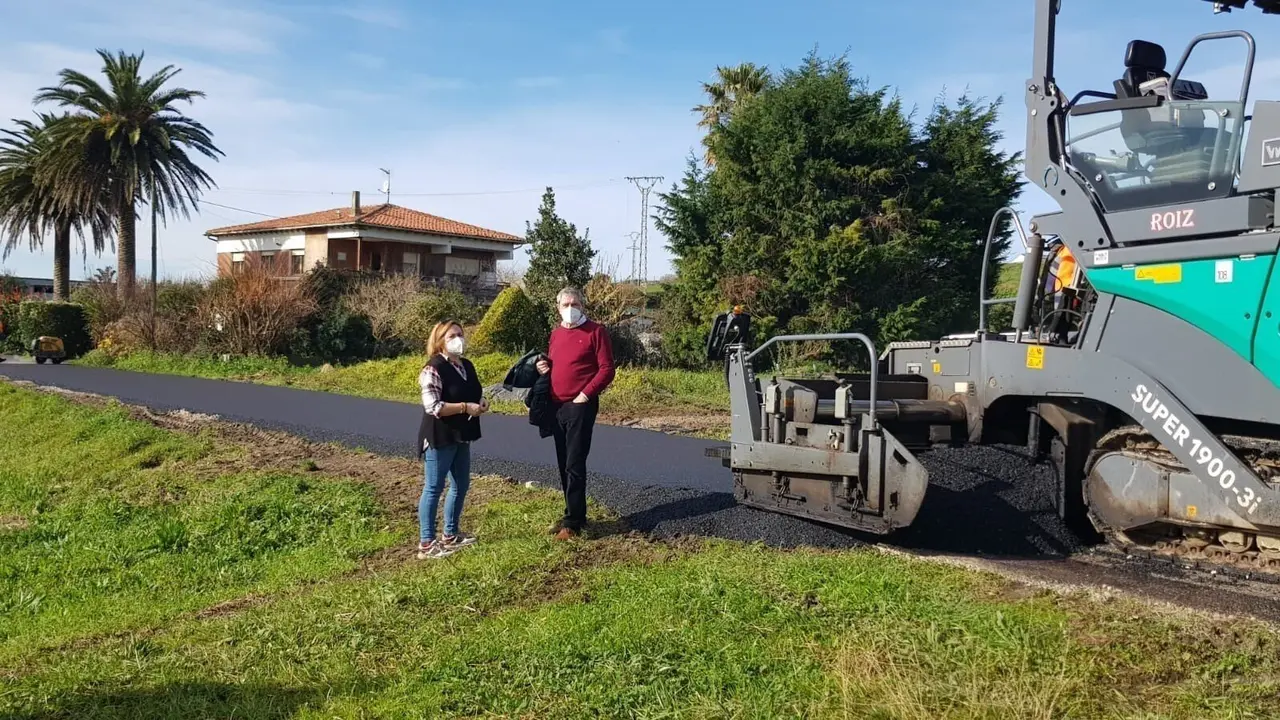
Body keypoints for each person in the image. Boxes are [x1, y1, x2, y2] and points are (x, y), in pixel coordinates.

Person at [536, 286, 616, 540]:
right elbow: (556, 362)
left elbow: (607, 369)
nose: (571, 309)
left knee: (574, 462)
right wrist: (542, 367)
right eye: (565, 305)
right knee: (562, 461)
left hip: (580, 405)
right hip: (556, 405)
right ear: (558, 307)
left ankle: (574, 522)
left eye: (575, 304)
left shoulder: (596, 332)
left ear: (583, 306)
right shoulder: (556, 333)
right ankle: (571, 512)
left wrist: (585, 395)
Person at [416, 320, 488, 559]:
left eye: (460, 334)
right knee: (434, 487)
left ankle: (451, 534)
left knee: (461, 485)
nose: (458, 339)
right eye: (451, 336)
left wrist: (481, 403)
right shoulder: (433, 368)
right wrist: (466, 407)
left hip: (462, 435)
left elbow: (474, 390)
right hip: (440, 435)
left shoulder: (466, 365)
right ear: (440, 342)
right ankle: (427, 543)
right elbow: (433, 406)